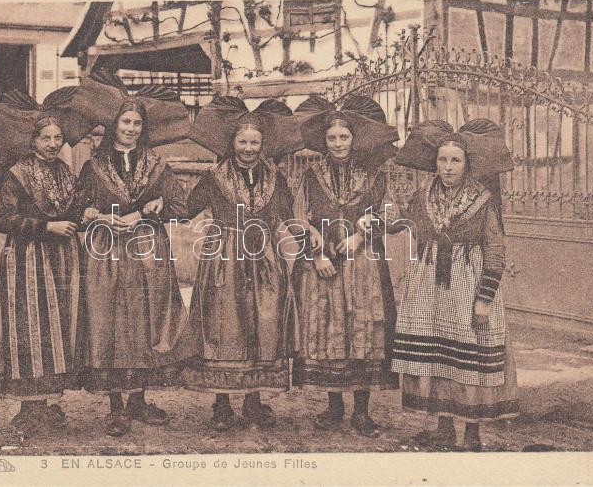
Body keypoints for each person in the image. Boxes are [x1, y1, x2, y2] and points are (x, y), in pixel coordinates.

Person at [391, 119, 519, 451]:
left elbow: (494, 248)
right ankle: (444, 427)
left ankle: (472, 433)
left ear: (467, 164)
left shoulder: (483, 199)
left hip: (468, 281)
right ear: (434, 162)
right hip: (430, 284)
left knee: (470, 357)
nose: (448, 168)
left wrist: (485, 297)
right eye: (442, 160)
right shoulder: (423, 195)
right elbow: (403, 223)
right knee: (437, 355)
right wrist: (377, 221)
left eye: (455, 161)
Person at [76, 98, 200, 438]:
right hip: (107, 252)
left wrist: (154, 209)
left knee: (145, 321)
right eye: (125, 122)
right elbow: (78, 208)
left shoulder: (156, 164)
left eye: (136, 124)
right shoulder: (94, 165)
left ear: (143, 129)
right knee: (111, 323)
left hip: (148, 253)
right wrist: (97, 215)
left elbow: (181, 206)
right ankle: (116, 406)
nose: (130, 129)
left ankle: (139, 400)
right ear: (114, 125)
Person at [183, 96, 304, 430]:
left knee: (261, 325)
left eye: (255, 142)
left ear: (263, 145)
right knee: (224, 326)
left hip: (266, 260)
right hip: (224, 258)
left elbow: (288, 216)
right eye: (242, 141)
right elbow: (186, 207)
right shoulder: (213, 177)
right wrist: (154, 203)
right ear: (231, 143)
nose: (248, 148)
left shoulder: (276, 179)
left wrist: (310, 240)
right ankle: (221, 404)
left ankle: (253, 400)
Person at [290, 95, 401, 436]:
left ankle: (362, 411)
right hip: (324, 268)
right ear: (324, 142)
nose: (338, 144)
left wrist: (362, 235)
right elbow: (297, 218)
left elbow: (389, 215)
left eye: (344, 137)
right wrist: (315, 253)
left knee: (363, 328)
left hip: (363, 266)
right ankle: (334, 406)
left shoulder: (374, 174)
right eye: (332, 138)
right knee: (327, 330)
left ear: (354, 139)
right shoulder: (311, 175)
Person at [0, 113, 86, 436]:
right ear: (33, 141)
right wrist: (47, 226)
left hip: (62, 259)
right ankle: (29, 407)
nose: (52, 144)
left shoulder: (66, 172)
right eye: (45, 138)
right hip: (27, 260)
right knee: (30, 327)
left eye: (57, 138)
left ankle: (49, 402)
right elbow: (4, 219)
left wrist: (82, 215)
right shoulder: (17, 174)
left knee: (58, 328)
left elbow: (77, 207)